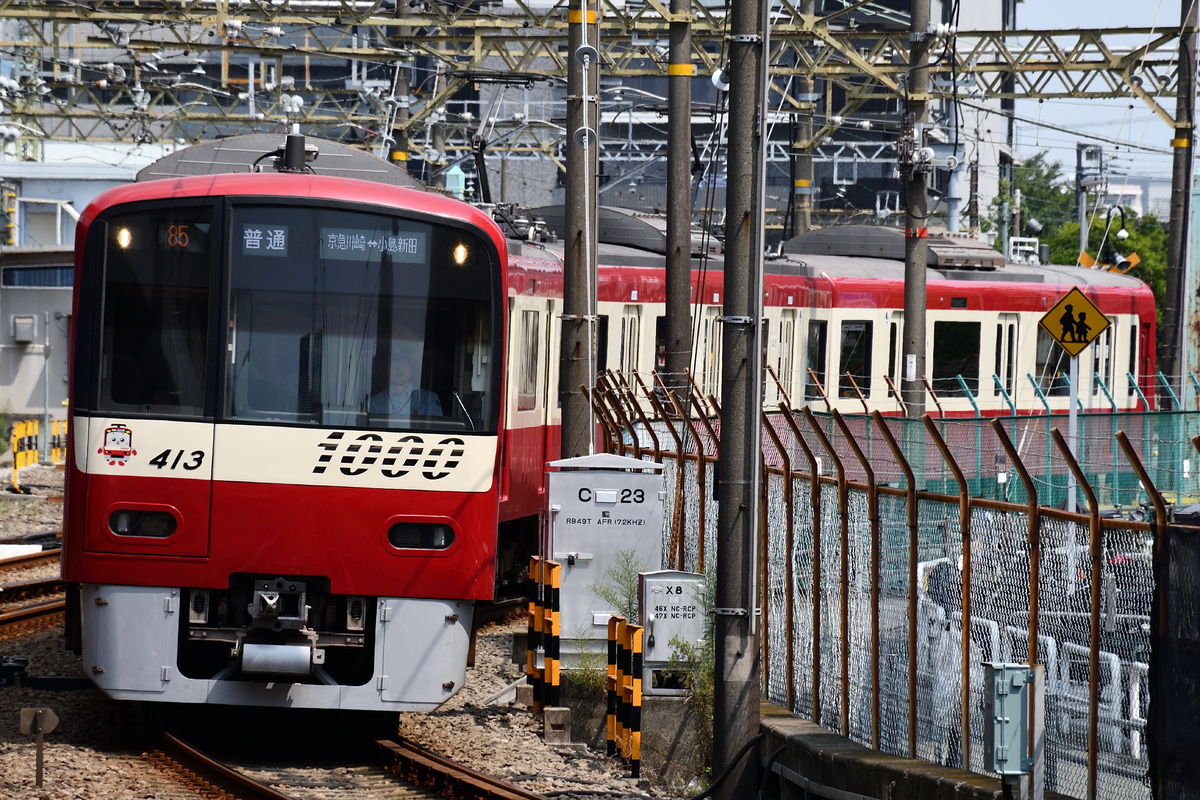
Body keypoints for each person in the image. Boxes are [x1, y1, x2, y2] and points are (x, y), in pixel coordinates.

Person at [369, 348, 442, 416]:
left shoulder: (428, 399)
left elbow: (436, 427)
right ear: (385, 370)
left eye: (404, 362)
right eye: (394, 363)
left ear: (411, 367)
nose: (399, 368)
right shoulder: (374, 403)